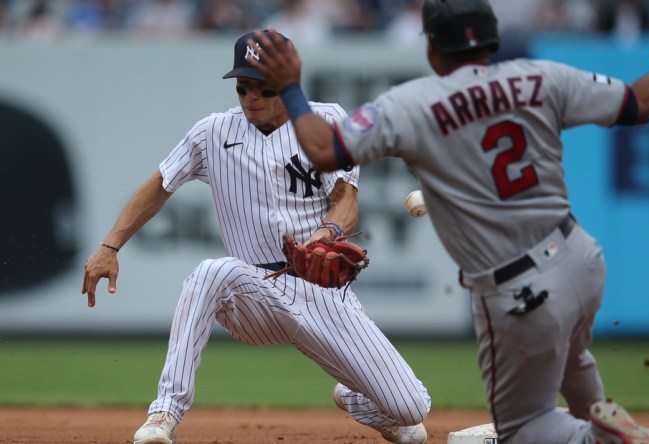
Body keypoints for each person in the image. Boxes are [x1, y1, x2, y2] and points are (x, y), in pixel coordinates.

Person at [245, 0, 649, 442]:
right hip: (581, 259)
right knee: (574, 365)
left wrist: (290, 86)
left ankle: (599, 436)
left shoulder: (412, 105)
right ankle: (598, 418)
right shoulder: (542, 78)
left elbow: (324, 150)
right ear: (493, 40)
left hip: (518, 290)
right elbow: (644, 102)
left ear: (431, 47)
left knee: (521, 427)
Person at [81, 30, 431, 444]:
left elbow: (346, 199)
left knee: (413, 411)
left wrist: (327, 233)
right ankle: (163, 416)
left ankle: (356, 398)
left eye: (265, 89)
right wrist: (109, 246)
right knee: (211, 271)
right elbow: (159, 184)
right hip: (254, 292)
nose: (252, 99)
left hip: (322, 295)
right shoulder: (212, 132)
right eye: (244, 88)